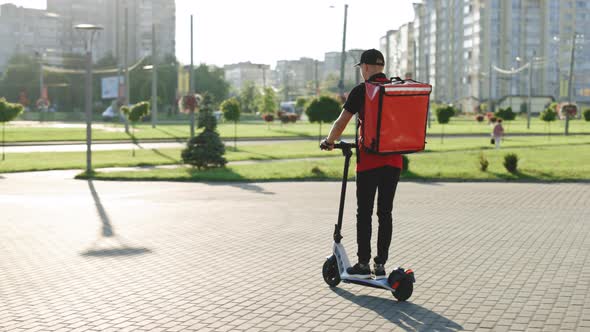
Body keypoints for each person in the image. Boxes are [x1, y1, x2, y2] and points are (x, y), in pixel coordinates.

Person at [320, 49, 402, 280]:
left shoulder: (361, 91)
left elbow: (341, 122)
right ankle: (381, 264)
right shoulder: (396, 89)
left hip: (369, 163)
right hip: (394, 161)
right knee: (385, 213)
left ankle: (364, 264)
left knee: (364, 213)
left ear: (365, 68)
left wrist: (329, 142)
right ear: (382, 67)